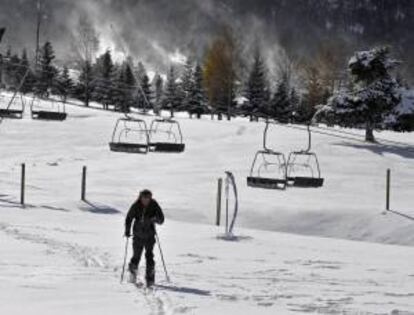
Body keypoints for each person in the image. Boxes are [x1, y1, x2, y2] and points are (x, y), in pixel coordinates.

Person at [124, 189, 164, 286]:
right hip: (138, 235)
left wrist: (155, 219)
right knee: (136, 256)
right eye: (144, 198)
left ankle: (150, 279)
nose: (146, 200)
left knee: (149, 256)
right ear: (140, 197)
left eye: (148, 198)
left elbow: (161, 219)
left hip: (150, 235)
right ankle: (132, 275)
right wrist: (127, 230)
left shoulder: (154, 205)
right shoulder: (136, 205)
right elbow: (129, 217)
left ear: (150, 198)